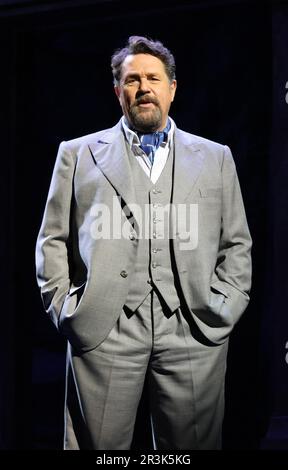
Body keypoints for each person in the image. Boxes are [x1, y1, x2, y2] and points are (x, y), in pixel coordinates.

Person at [35, 35, 252, 450]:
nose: (143, 87)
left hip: (193, 326)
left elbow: (237, 242)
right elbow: (52, 239)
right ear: (118, 91)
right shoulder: (77, 154)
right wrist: (66, 308)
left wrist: (227, 301)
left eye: (153, 78)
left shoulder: (215, 156)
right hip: (104, 327)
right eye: (132, 79)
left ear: (172, 88)